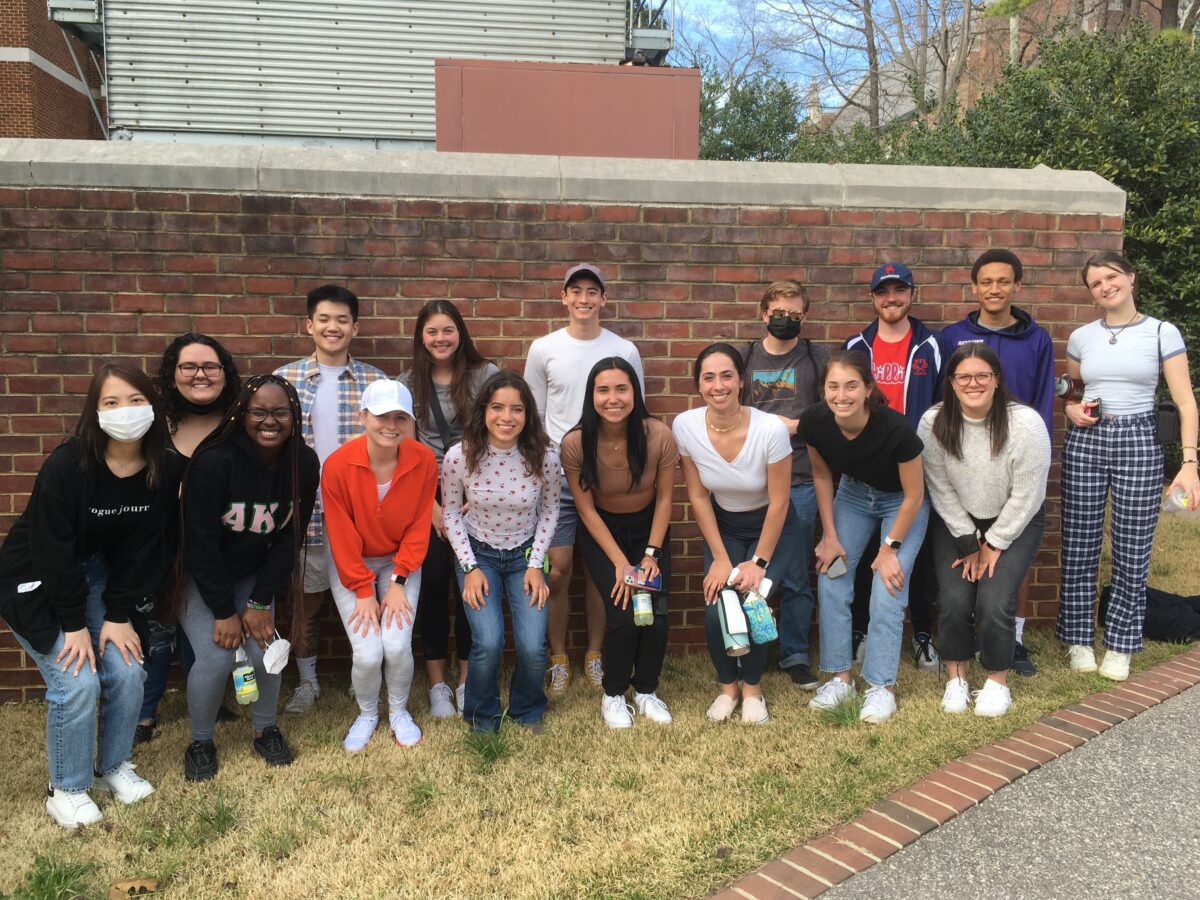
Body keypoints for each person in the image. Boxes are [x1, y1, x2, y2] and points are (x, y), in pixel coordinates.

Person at [0, 364, 182, 827]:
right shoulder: (68, 465)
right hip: (36, 576)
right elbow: (50, 550)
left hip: (100, 575)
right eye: (112, 403)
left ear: (154, 406)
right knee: (76, 679)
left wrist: (118, 614)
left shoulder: (166, 464)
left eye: (136, 400)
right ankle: (68, 788)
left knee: (126, 669)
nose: (126, 411)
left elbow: (148, 548)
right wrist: (74, 624)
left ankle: (112, 766)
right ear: (94, 412)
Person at [1056, 251, 1200, 681]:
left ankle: (1121, 642)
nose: (1105, 286)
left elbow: (1186, 401)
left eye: (1112, 276)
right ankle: (1079, 637)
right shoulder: (1082, 337)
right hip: (1088, 439)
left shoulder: (1161, 332)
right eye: (1095, 282)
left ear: (1131, 278)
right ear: (1091, 292)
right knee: (1080, 541)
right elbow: (1072, 393)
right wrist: (1071, 411)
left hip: (1140, 437)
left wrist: (1189, 463)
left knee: (1132, 545)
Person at [179, 374, 319, 781]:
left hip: (252, 575)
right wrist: (224, 611)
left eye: (280, 412)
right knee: (216, 655)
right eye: (258, 411)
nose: (269, 421)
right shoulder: (214, 462)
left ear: (294, 417)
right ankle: (200, 742)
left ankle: (265, 729)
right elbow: (200, 546)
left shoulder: (303, 463)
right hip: (199, 576)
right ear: (242, 415)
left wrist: (259, 603)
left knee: (266, 651)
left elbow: (288, 539)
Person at [524, 264, 644, 692]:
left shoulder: (624, 350)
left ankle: (595, 653)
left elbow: (635, 414)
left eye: (592, 291)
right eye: (576, 291)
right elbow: (532, 416)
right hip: (557, 477)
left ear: (603, 300)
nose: (584, 299)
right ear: (563, 298)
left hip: (604, 478)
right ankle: (558, 657)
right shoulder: (543, 349)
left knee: (601, 571)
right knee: (559, 569)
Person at [918, 345, 1050, 717]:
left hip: (1015, 521)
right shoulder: (933, 422)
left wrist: (993, 544)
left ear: (996, 381)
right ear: (952, 383)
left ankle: (996, 681)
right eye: (964, 376)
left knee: (993, 601)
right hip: (957, 519)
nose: (973, 383)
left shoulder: (1026, 424)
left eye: (982, 376)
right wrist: (967, 540)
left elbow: (1029, 494)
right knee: (956, 598)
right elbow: (938, 486)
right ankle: (956, 677)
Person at [673, 343, 802, 725]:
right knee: (717, 608)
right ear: (699, 385)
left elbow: (780, 502)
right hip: (724, 526)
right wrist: (720, 557)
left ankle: (753, 690)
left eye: (726, 375)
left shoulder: (770, 429)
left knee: (751, 603)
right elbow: (697, 494)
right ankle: (728, 686)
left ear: (741, 380)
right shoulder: (685, 426)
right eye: (709, 377)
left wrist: (758, 562)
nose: (719, 385)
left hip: (773, 528)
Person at [940, 249, 1055, 676]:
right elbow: (943, 403)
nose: (994, 289)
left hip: (1016, 460)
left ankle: (1015, 637)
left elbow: (1043, 401)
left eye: (1003, 281)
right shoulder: (953, 336)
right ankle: (967, 642)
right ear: (974, 288)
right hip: (967, 464)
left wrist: (1034, 457)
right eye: (986, 282)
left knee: (1009, 566)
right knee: (964, 573)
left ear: (1017, 286)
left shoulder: (1036, 338)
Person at [274, 285, 387, 716]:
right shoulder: (285, 380)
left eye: (342, 320)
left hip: (363, 516)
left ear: (355, 327)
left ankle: (375, 680)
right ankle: (308, 682)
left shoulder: (376, 382)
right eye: (324, 319)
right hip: (305, 513)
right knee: (306, 602)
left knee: (370, 599)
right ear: (309, 325)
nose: (332, 327)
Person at [806, 351, 929, 724]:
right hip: (854, 496)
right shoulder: (815, 423)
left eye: (851, 386)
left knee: (887, 586)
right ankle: (841, 677)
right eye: (833, 386)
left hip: (901, 504)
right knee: (832, 575)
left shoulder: (897, 431)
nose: (841, 395)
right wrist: (829, 535)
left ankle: (881, 687)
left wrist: (889, 548)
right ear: (823, 390)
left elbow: (914, 496)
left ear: (868, 389)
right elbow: (823, 476)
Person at [136, 333, 242, 744]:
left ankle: (212, 702)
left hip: (218, 547)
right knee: (157, 632)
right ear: (173, 374)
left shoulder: (237, 421)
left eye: (210, 366)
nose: (201, 375)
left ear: (224, 372)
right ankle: (145, 712)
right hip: (159, 545)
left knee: (208, 631)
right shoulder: (153, 422)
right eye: (189, 367)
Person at [563, 358, 678, 728]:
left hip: (649, 532)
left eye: (621, 389)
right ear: (591, 396)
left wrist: (650, 555)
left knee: (655, 616)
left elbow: (664, 500)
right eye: (603, 390)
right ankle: (613, 695)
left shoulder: (657, 435)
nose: (613, 398)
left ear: (634, 393)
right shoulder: (576, 443)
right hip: (603, 533)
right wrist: (620, 563)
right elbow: (586, 511)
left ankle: (645, 690)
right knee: (624, 615)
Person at [441, 371, 559, 733]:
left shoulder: (545, 457)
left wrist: (536, 563)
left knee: (533, 646)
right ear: (483, 411)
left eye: (517, 409)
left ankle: (527, 708)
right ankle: (482, 714)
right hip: (478, 555)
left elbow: (551, 510)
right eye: (497, 408)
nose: (506, 417)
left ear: (528, 415)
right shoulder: (459, 456)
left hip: (525, 556)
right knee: (488, 641)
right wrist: (470, 566)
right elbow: (449, 512)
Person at [322, 380, 437, 750]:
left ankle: (399, 711)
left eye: (400, 417)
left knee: (397, 643)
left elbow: (420, 526)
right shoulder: (337, 465)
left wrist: (398, 581)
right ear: (363, 418)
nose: (391, 425)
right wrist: (361, 589)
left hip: (399, 560)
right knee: (369, 652)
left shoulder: (423, 460)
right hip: (350, 562)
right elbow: (339, 534)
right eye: (382, 416)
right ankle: (368, 713)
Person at [399, 300, 499, 717]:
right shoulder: (407, 383)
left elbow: (501, 430)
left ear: (460, 334)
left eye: (448, 330)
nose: (440, 339)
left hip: (479, 495)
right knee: (436, 587)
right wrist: (434, 509)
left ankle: (465, 678)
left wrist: (471, 501)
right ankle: (438, 684)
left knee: (471, 590)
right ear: (421, 338)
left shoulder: (485, 375)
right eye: (432, 332)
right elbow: (402, 449)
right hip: (429, 499)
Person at [843, 262, 943, 672]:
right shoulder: (856, 347)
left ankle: (921, 634)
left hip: (915, 465)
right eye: (883, 292)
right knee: (869, 554)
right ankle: (862, 632)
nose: (891, 298)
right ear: (872, 299)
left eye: (899, 290)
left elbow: (942, 406)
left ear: (911, 294)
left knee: (914, 557)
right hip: (866, 469)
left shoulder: (931, 345)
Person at [738, 279, 830, 691]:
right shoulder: (743, 358)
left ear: (804, 318)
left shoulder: (818, 357)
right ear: (763, 314)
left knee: (794, 574)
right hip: (751, 482)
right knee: (749, 568)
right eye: (779, 313)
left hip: (801, 481)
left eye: (795, 314)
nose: (786, 320)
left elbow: (832, 412)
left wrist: (794, 425)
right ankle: (743, 645)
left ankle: (794, 654)